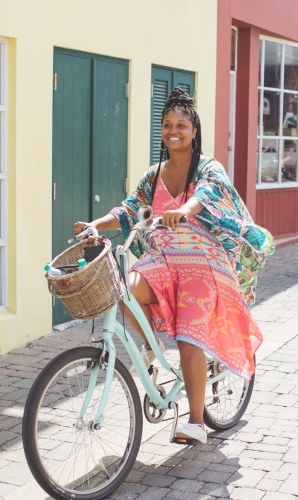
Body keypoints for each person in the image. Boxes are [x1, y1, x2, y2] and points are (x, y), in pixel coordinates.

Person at [74, 88, 275, 445]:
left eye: (181, 125)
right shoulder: (154, 176)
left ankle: (196, 422)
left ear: (194, 130)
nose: (173, 131)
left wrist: (185, 210)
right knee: (123, 290)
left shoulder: (209, 168)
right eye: (167, 125)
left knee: (188, 337)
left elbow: (208, 194)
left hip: (204, 265)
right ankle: (151, 349)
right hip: (164, 260)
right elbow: (129, 209)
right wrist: (94, 224)